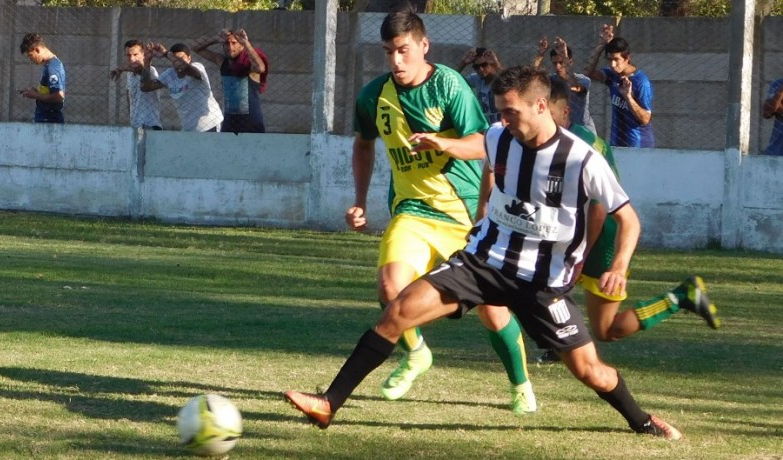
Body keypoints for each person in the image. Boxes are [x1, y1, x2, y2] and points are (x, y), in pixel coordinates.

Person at [284, 66, 714, 441]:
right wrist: (442, 144)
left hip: (542, 284)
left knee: (590, 370)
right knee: (399, 309)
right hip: (483, 261)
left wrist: (618, 266)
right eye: (500, 113)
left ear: (541, 106)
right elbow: (478, 144)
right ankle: (329, 403)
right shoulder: (500, 136)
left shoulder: (582, 159)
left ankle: (642, 421)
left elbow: (629, 219)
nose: (503, 121)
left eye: (511, 112)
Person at [288, 8, 538, 420]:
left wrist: (442, 144)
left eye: (403, 50)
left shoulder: (449, 85)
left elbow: (483, 143)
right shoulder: (373, 96)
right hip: (413, 210)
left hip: (463, 213)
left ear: (424, 46)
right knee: (391, 287)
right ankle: (417, 352)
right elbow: (364, 144)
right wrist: (360, 200)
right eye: (389, 52)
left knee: (493, 312)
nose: (396, 60)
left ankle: (521, 385)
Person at [536, 78, 720, 363]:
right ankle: (559, 344)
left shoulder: (583, 146)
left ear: (565, 112)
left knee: (606, 329)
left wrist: (581, 254)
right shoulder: (544, 141)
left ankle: (680, 297)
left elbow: (598, 209)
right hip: (572, 235)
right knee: (540, 285)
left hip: (602, 240)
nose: (542, 122)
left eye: (549, 114)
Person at [584, 24, 654, 148]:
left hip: (638, 147)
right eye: (609, 59)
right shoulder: (612, 75)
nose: (612, 64)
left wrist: (628, 97)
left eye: (616, 59)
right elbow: (587, 73)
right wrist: (602, 45)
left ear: (627, 58)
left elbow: (645, 119)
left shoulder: (641, 82)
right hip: (616, 143)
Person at [189, 28, 268, 133]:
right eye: (227, 43)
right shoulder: (222, 62)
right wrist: (215, 38)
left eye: (234, 43)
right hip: (230, 121)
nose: (230, 47)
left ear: (241, 46)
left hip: (251, 122)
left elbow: (260, 68)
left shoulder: (248, 65)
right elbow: (194, 47)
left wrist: (246, 43)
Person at [140, 42, 224, 133]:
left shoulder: (197, 67)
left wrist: (166, 53)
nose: (178, 61)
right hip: (188, 128)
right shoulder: (169, 74)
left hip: (209, 124)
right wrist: (147, 63)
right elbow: (145, 87)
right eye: (175, 58)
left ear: (189, 58)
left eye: (181, 58)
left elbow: (185, 67)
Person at [533, 36, 596, 134]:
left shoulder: (583, 80)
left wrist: (565, 57)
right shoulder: (552, 80)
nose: (558, 66)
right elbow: (531, 80)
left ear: (570, 62)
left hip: (583, 131)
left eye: (561, 62)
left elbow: (575, 87)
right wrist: (539, 55)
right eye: (555, 63)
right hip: (563, 130)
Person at [110, 39, 163, 130]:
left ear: (143, 54)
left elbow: (142, 73)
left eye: (135, 54)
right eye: (128, 55)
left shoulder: (151, 71)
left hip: (150, 124)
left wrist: (123, 69)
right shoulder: (129, 74)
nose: (131, 59)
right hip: (135, 124)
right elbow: (129, 96)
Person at [19, 33, 66, 124]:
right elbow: (51, 91)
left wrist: (35, 95)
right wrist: (35, 91)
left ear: (37, 49)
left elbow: (59, 96)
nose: (30, 60)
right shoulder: (50, 65)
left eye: (30, 55)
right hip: (45, 119)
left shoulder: (53, 68)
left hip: (49, 121)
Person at [457, 47, 501, 125]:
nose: (480, 69)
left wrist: (496, 64)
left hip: (503, 126)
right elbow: (452, 79)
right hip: (486, 126)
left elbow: (511, 81)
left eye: (484, 65)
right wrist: (463, 63)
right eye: (476, 67)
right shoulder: (476, 79)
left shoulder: (500, 78)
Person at [761, 78, 783, 156]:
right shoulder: (778, 83)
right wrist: (781, 91)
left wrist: (779, 105)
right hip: (777, 151)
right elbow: (768, 111)